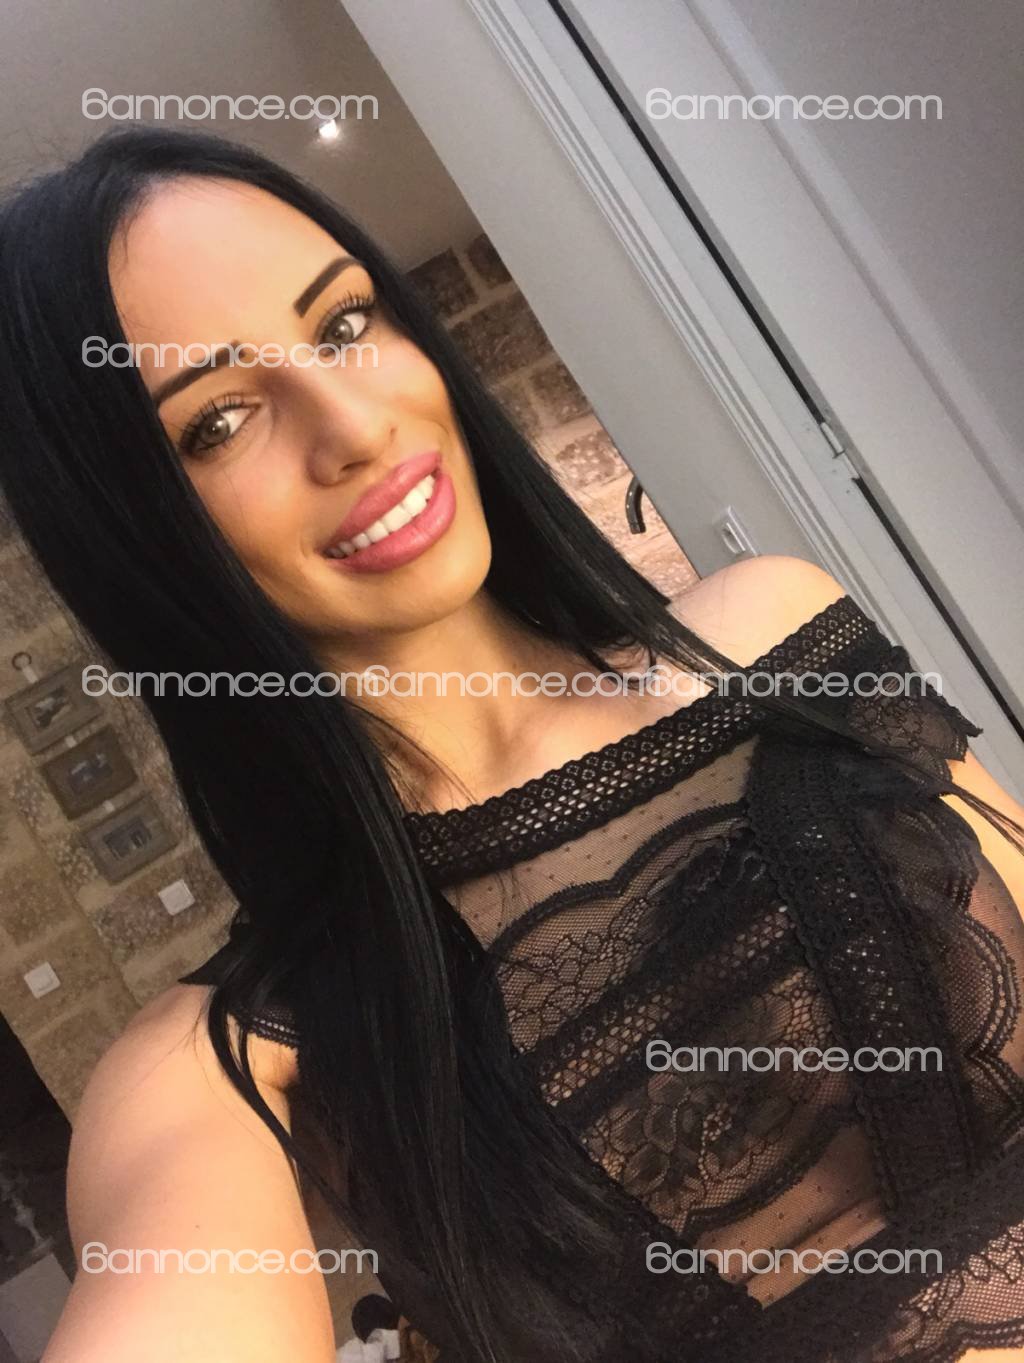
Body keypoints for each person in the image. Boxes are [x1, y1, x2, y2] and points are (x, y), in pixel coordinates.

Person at [1, 127, 1023, 1363]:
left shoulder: (773, 630)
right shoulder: (215, 1069)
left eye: (343, 324)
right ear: (126, 528)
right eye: (218, 420)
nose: (356, 424)